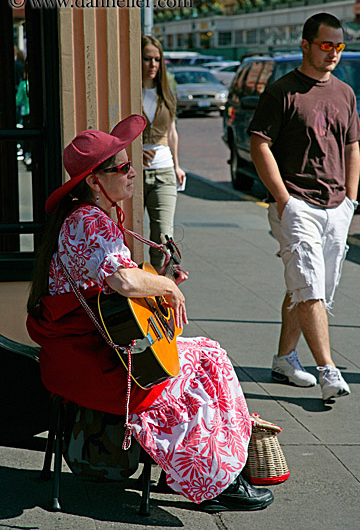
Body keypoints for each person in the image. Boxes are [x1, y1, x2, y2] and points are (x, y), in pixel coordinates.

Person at [26, 115, 274, 512]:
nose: (131, 173)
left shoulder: (82, 218)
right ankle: (210, 479)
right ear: (93, 180)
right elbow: (124, 283)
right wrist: (168, 286)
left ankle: (207, 467)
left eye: (131, 163)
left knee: (203, 355)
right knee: (208, 362)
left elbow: (114, 293)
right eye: (122, 168)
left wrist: (160, 280)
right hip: (95, 363)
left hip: (81, 352)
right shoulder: (91, 222)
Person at [248, 13, 360, 403]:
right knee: (310, 286)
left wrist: (351, 198)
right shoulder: (283, 91)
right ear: (306, 45)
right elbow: (259, 144)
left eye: (339, 46)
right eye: (325, 45)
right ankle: (328, 369)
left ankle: (284, 358)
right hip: (297, 205)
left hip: (336, 208)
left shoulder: (344, 93)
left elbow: (351, 146)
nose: (333, 52)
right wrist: (283, 200)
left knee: (309, 285)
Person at [141, 35, 186, 270]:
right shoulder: (127, 93)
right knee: (129, 237)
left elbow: (172, 132)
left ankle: (162, 291)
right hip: (131, 175)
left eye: (157, 59)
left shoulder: (166, 94)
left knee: (163, 239)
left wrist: (177, 165)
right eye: (147, 59)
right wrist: (134, 150)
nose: (153, 65)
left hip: (164, 173)